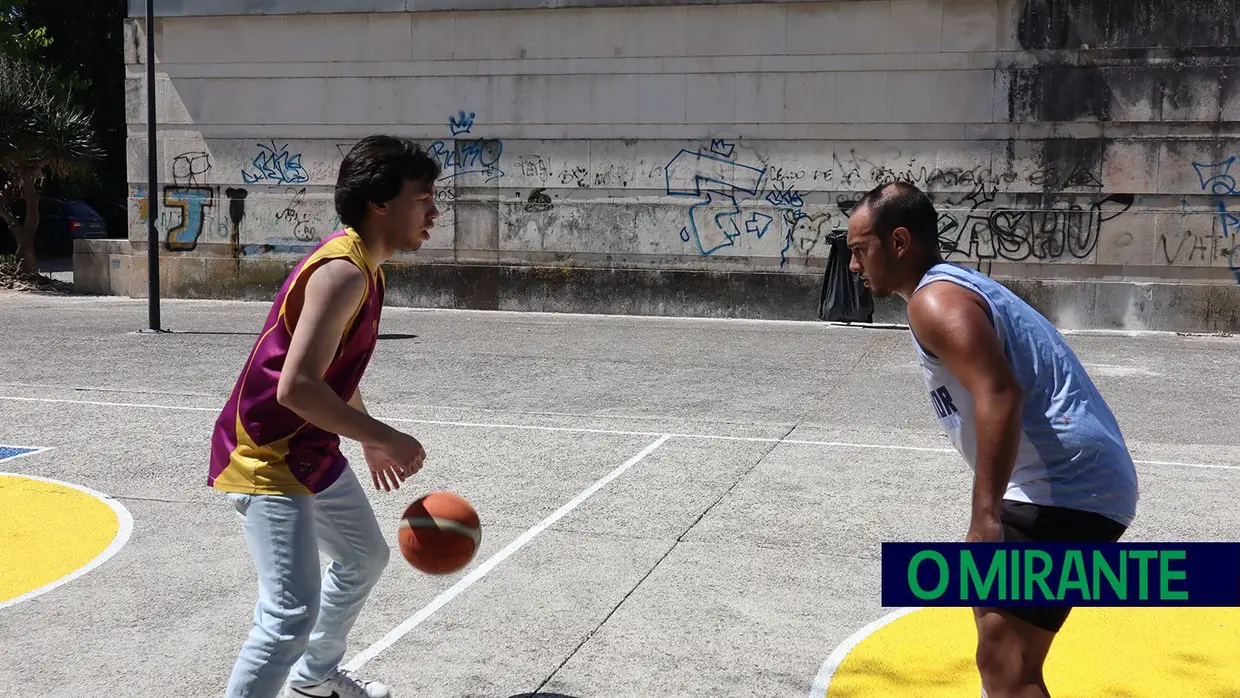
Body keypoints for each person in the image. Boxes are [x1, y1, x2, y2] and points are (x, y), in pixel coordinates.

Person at [845, 181, 1139, 698]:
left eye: (858, 250)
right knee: (1004, 658)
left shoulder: (933, 302)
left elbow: (999, 393)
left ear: (897, 242)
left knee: (1006, 662)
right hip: (1074, 485)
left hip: (1061, 488)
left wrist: (985, 518)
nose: (853, 265)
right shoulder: (950, 288)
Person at [208, 136, 442, 698]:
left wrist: (365, 438)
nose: (435, 211)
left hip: (309, 449)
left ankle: (313, 681)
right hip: (268, 454)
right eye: (423, 198)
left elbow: (333, 374)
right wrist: (387, 435)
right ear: (380, 202)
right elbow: (297, 388)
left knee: (365, 557)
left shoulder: (368, 268)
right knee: (288, 616)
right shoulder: (343, 273)